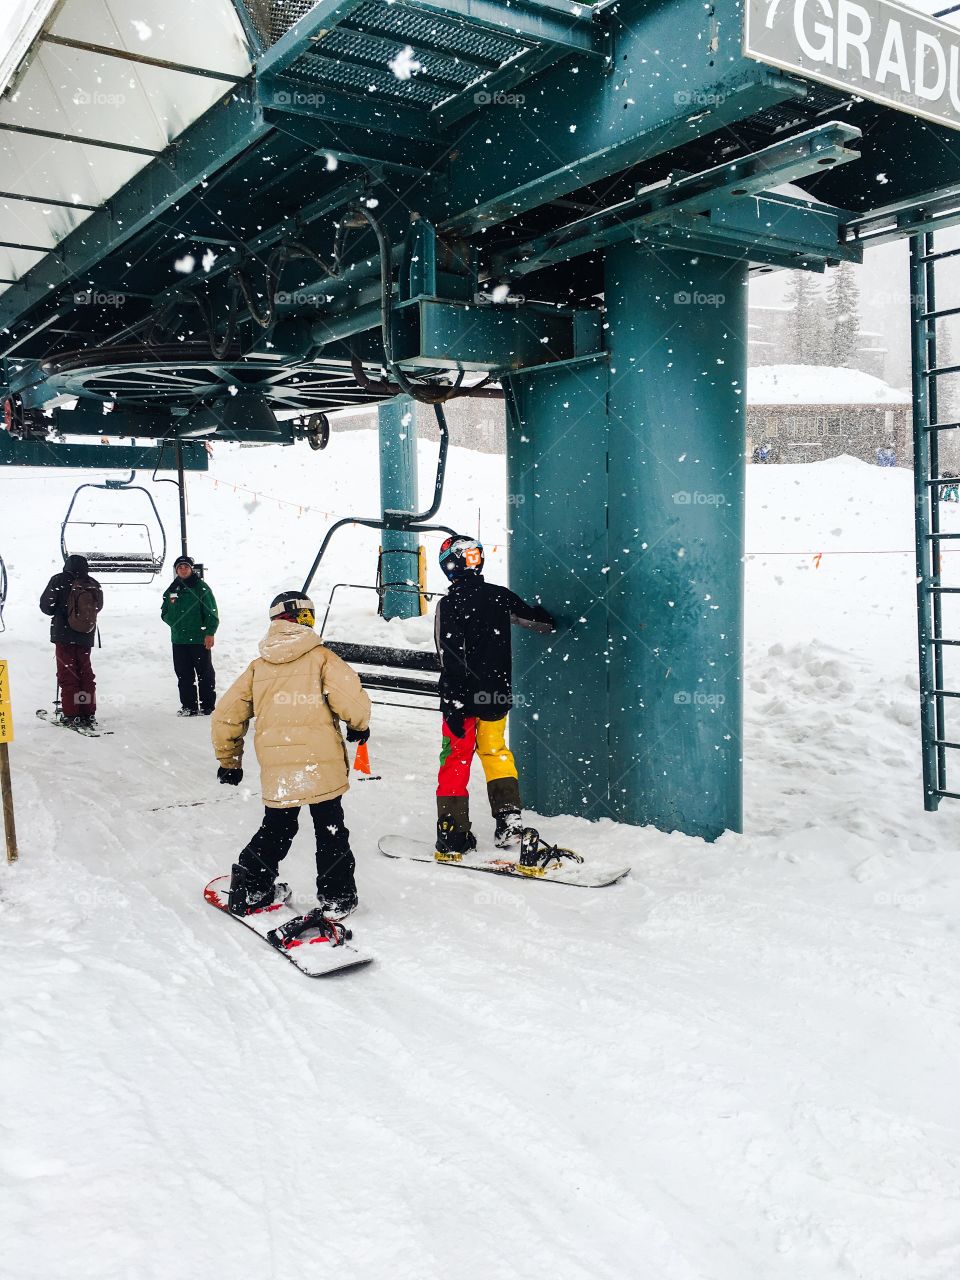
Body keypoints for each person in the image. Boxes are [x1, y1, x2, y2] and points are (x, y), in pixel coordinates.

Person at [211, 591, 371, 920]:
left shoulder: (258, 668)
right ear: (301, 619)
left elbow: (226, 715)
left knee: (277, 827)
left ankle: (252, 885)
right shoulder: (322, 659)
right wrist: (359, 726)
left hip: (279, 768)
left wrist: (230, 760)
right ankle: (337, 896)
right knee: (330, 828)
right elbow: (350, 698)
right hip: (320, 763)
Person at [434, 534, 555, 861]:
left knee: (456, 758)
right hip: (494, 695)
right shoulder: (499, 597)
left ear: (449, 567)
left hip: (461, 699)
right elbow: (539, 622)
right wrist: (545, 612)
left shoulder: (449, 604)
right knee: (495, 751)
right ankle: (508, 821)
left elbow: (449, 657)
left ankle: (452, 831)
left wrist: (454, 703)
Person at [39, 553, 103, 728]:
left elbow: (46, 607)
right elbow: (99, 607)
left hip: (63, 635)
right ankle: (88, 712)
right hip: (85, 634)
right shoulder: (92, 583)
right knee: (85, 674)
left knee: (68, 674)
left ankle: (72, 713)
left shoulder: (58, 580)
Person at [161, 555, 219, 716]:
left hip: (199, 639)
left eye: (186, 566)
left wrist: (210, 632)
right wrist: (174, 622)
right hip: (179, 640)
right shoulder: (172, 588)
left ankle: (208, 705)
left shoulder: (201, 588)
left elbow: (211, 613)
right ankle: (189, 706)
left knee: (204, 673)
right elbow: (164, 611)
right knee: (183, 674)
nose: (183, 569)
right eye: (179, 567)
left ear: (191, 569)